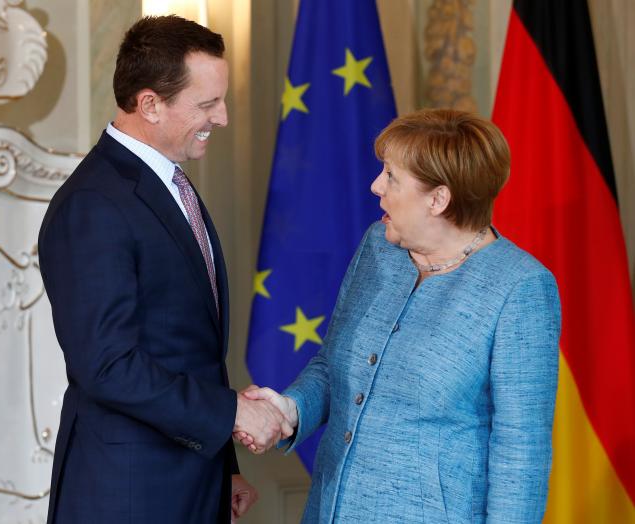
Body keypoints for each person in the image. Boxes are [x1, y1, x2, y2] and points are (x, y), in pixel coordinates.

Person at [238, 109, 562, 523]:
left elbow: (522, 452)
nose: (375, 186)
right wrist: (289, 410)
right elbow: (333, 364)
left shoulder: (520, 287)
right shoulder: (379, 247)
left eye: (391, 176)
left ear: (438, 199)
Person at [39, 15, 290, 524]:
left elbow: (191, 350)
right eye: (206, 104)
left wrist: (225, 464)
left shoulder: (169, 183)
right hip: (128, 494)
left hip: (191, 478)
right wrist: (232, 413)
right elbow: (107, 365)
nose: (221, 117)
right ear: (149, 103)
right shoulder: (94, 203)